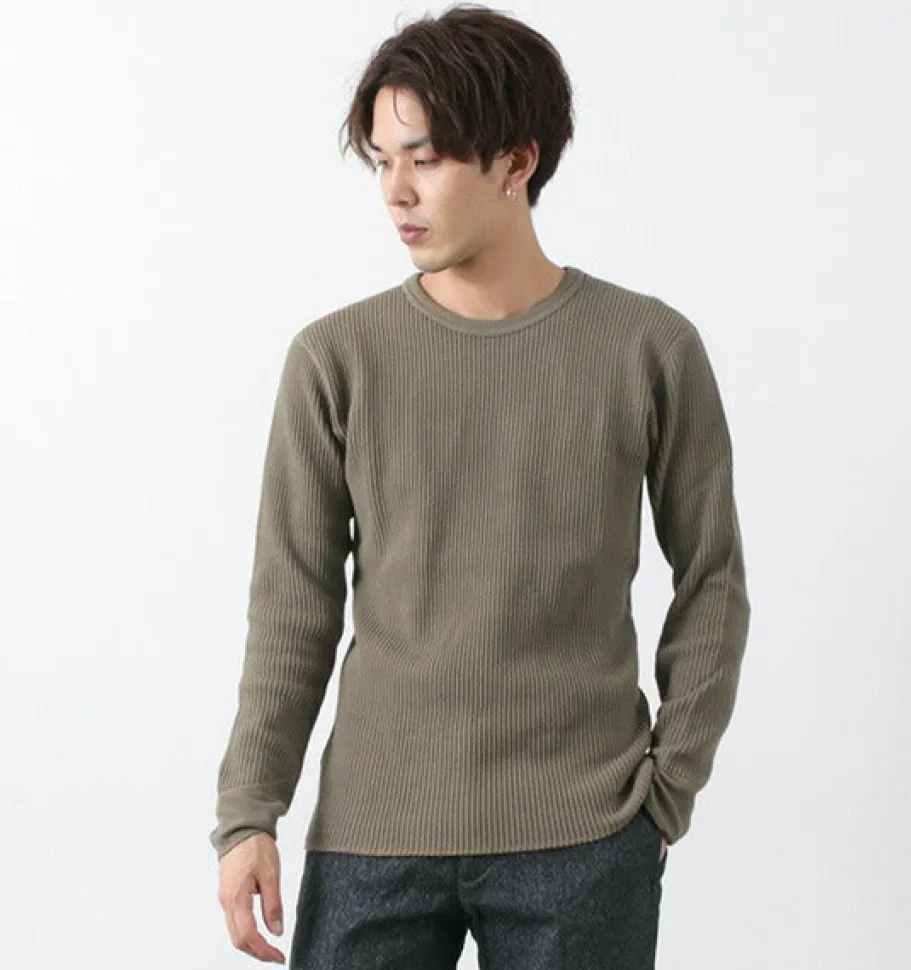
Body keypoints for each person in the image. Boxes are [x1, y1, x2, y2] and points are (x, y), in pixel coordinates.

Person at [211, 4, 751, 967]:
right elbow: (292, 604)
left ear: (516, 161)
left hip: (584, 833)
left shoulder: (647, 348)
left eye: (425, 158)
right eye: (382, 161)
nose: (397, 191)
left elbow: (712, 579)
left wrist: (666, 791)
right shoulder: (336, 359)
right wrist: (250, 811)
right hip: (374, 830)